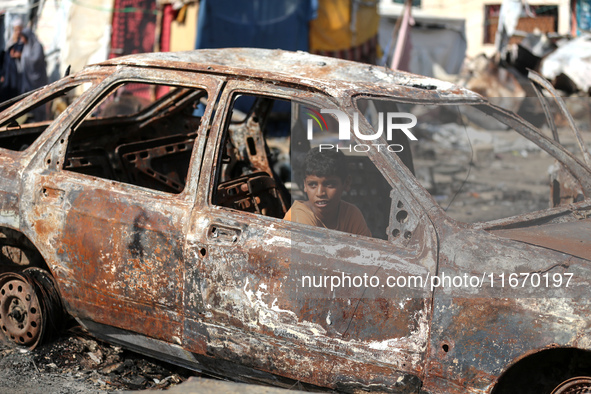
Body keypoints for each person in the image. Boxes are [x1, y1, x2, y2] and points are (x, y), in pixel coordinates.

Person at [284, 149, 371, 237]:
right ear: (305, 185)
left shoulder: (351, 214)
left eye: (329, 184)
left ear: (346, 183)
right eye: (312, 185)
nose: (320, 193)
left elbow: (368, 248)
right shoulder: (298, 216)